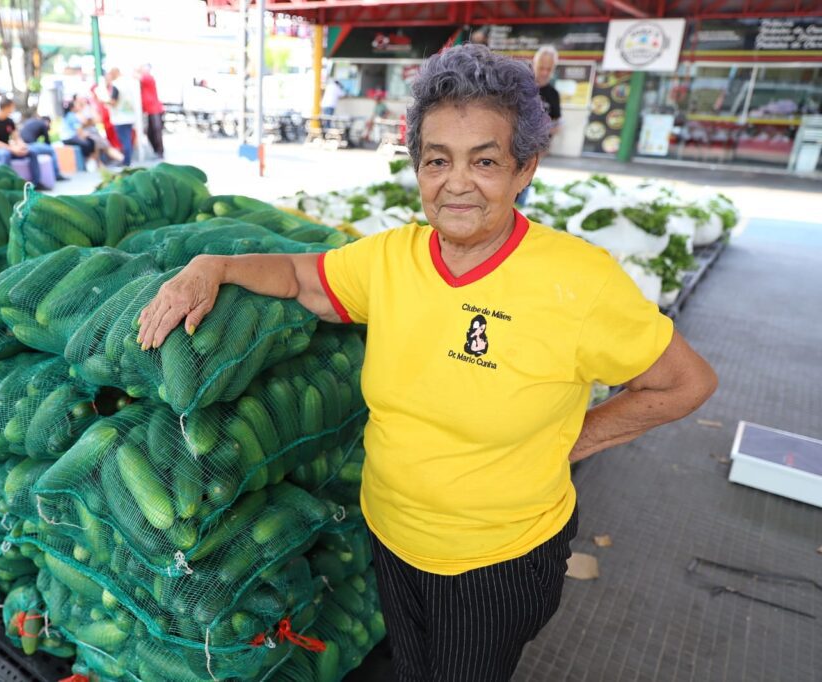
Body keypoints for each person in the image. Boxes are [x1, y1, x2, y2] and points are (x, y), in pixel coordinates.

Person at [137, 44, 717, 682]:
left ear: (525, 168)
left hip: (496, 562)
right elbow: (301, 277)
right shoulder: (390, 259)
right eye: (437, 160)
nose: (457, 183)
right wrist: (211, 267)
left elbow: (686, 383)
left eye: (486, 161)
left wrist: (572, 441)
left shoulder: (579, 282)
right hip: (391, 534)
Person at [517, 45, 563, 206]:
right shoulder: (520, 87)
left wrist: (547, 133)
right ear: (534, 64)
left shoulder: (553, 94)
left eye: (548, 69)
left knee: (524, 184)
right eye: (541, 67)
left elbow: (557, 123)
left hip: (535, 151)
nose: (544, 72)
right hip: (512, 147)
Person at [0, 97, 57, 190]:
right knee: (5, 154)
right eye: (12, 106)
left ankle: (35, 183)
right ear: (7, 107)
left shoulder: (9, 121)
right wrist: (11, 148)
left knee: (32, 152)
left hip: (9, 148)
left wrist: (22, 146)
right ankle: (6, 185)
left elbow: (17, 137)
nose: (13, 109)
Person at [104, 67, 139, 165]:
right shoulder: (129, 83)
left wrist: (104, 100)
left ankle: (126, 161)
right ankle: (127, 159)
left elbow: (113, 101)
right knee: (127, 138)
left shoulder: (117, 85)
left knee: (125, 140)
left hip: (120, 117)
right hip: (130, 115)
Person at [18, 115, 68, 181]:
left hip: (21, 145)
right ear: (47, 122)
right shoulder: (43, 124)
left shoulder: (32, 122)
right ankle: (57, 174)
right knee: (51, 150)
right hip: (30, 144)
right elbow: (47, 142)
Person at [138, 64, 165, 158]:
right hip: (148, 110)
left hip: (154, 109)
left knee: (156, 130)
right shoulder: (144, 79)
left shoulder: (148, 78)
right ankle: (156, 150)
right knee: (150, 132)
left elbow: (139, 77)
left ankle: (160, 151)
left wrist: (138, 70)